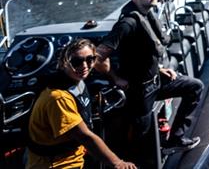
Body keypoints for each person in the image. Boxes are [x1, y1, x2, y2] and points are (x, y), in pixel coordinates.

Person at [96, 0, 203, 163]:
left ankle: (175, 139)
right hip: (140, 92)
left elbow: (146, 52)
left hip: (156, 82)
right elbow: (98, 55)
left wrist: (160, 69)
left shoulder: (146, 16)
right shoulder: (128, 23)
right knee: (142, 141)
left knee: (194, 87)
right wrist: (115, 78)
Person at [26, 39, 136, 169]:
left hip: (76, 155)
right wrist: (118, 163)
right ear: (63, 63)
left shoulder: (75, 80)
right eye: (76, 62)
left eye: (90, 59)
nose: (84, 66)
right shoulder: (58, 98)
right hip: (58, 164)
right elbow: (85, 137)